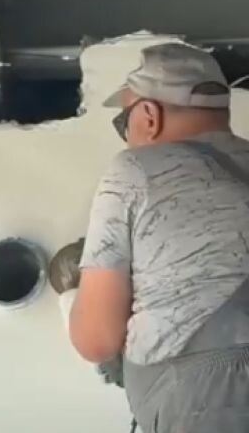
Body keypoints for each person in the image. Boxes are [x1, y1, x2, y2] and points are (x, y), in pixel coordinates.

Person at [68, 43, 249, 432]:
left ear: (149, 116)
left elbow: (96, 339)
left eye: (124, 122)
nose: (126, 136)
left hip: (208, 408)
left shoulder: (134, 170)